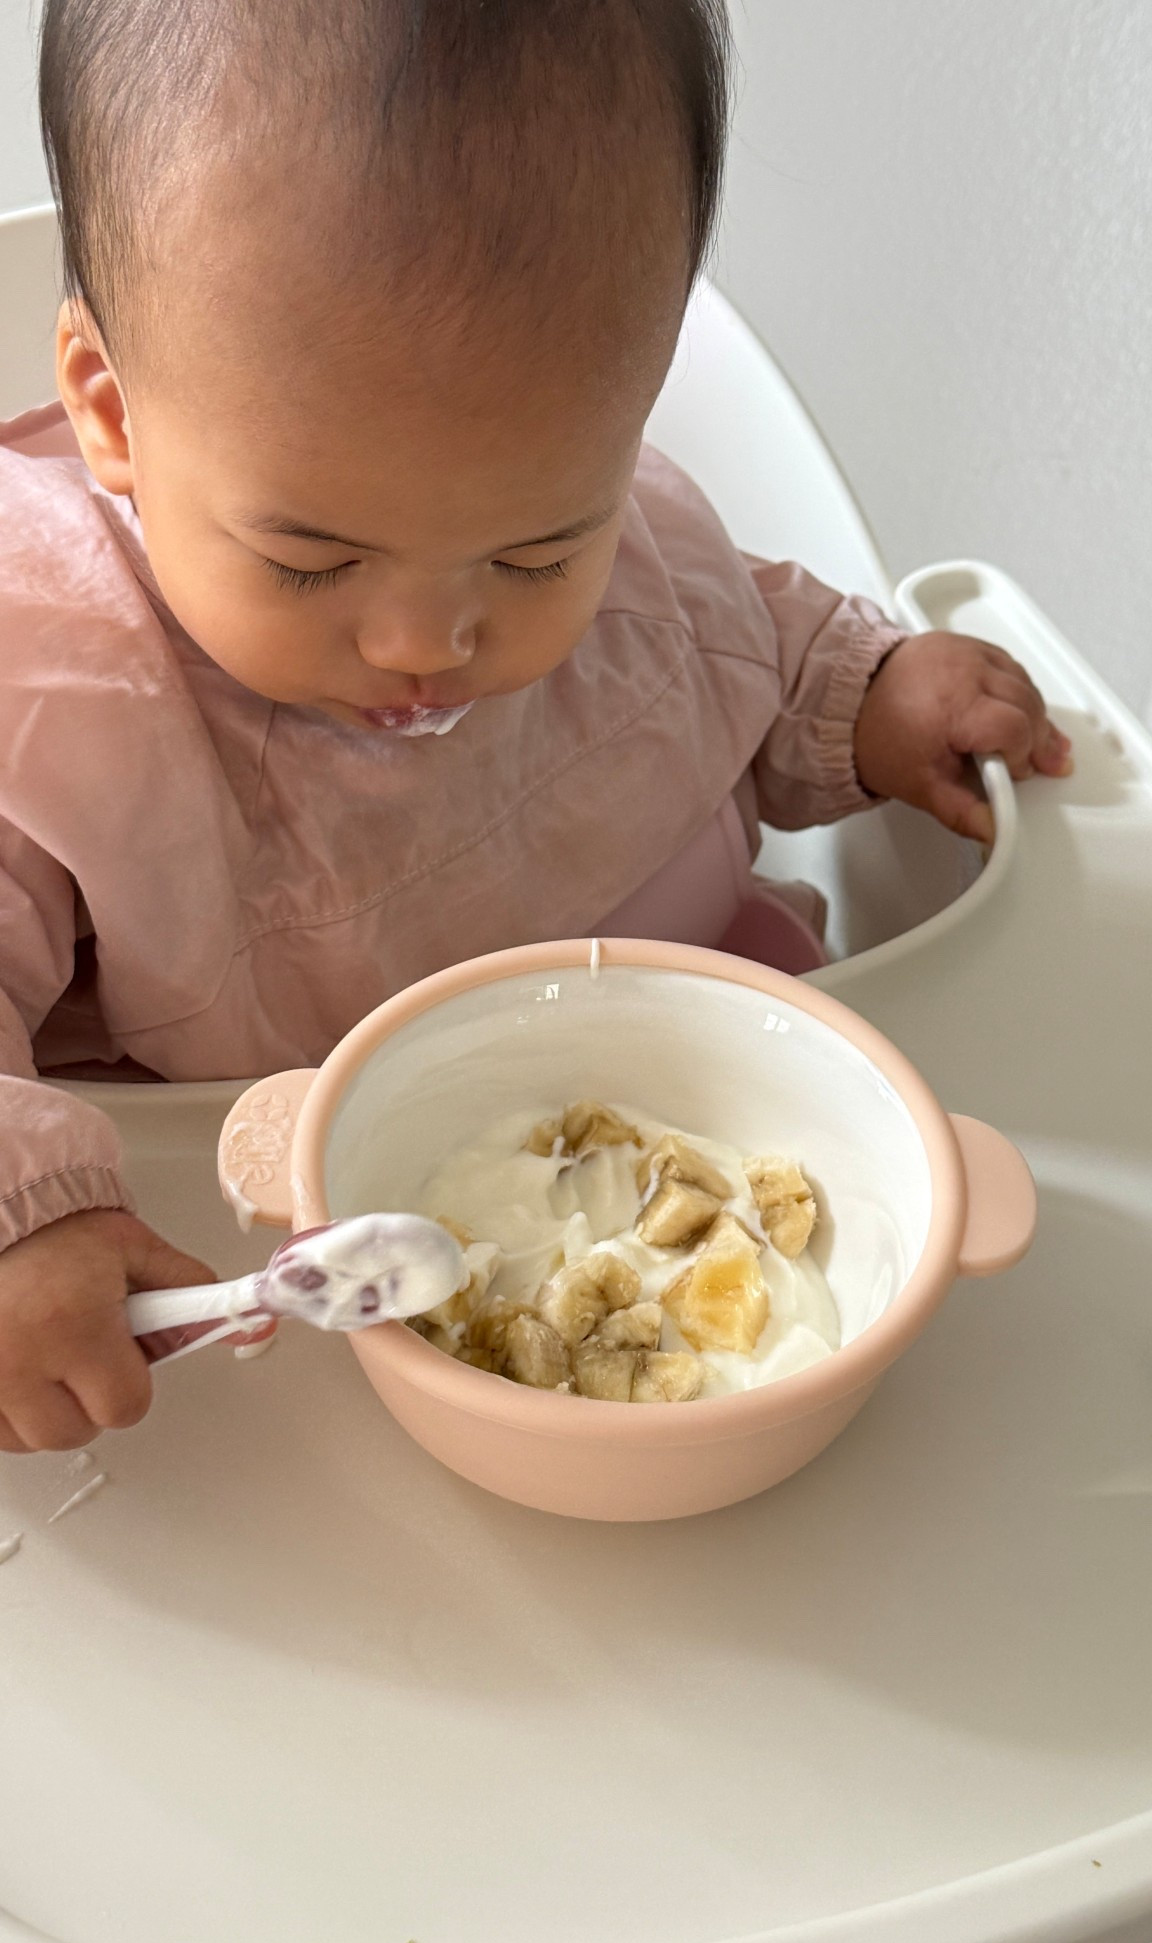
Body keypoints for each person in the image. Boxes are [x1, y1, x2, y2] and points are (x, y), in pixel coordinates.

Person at [0, 0, 1071, 1452]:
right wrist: (25, 1226)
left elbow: (728, 634)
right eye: (313, 561)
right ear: (111, 411)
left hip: (708, 1194)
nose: (427, 644)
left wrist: (868, 698)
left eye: (532, 556)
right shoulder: (49, 689)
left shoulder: (625, 542)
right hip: (276, 1346)